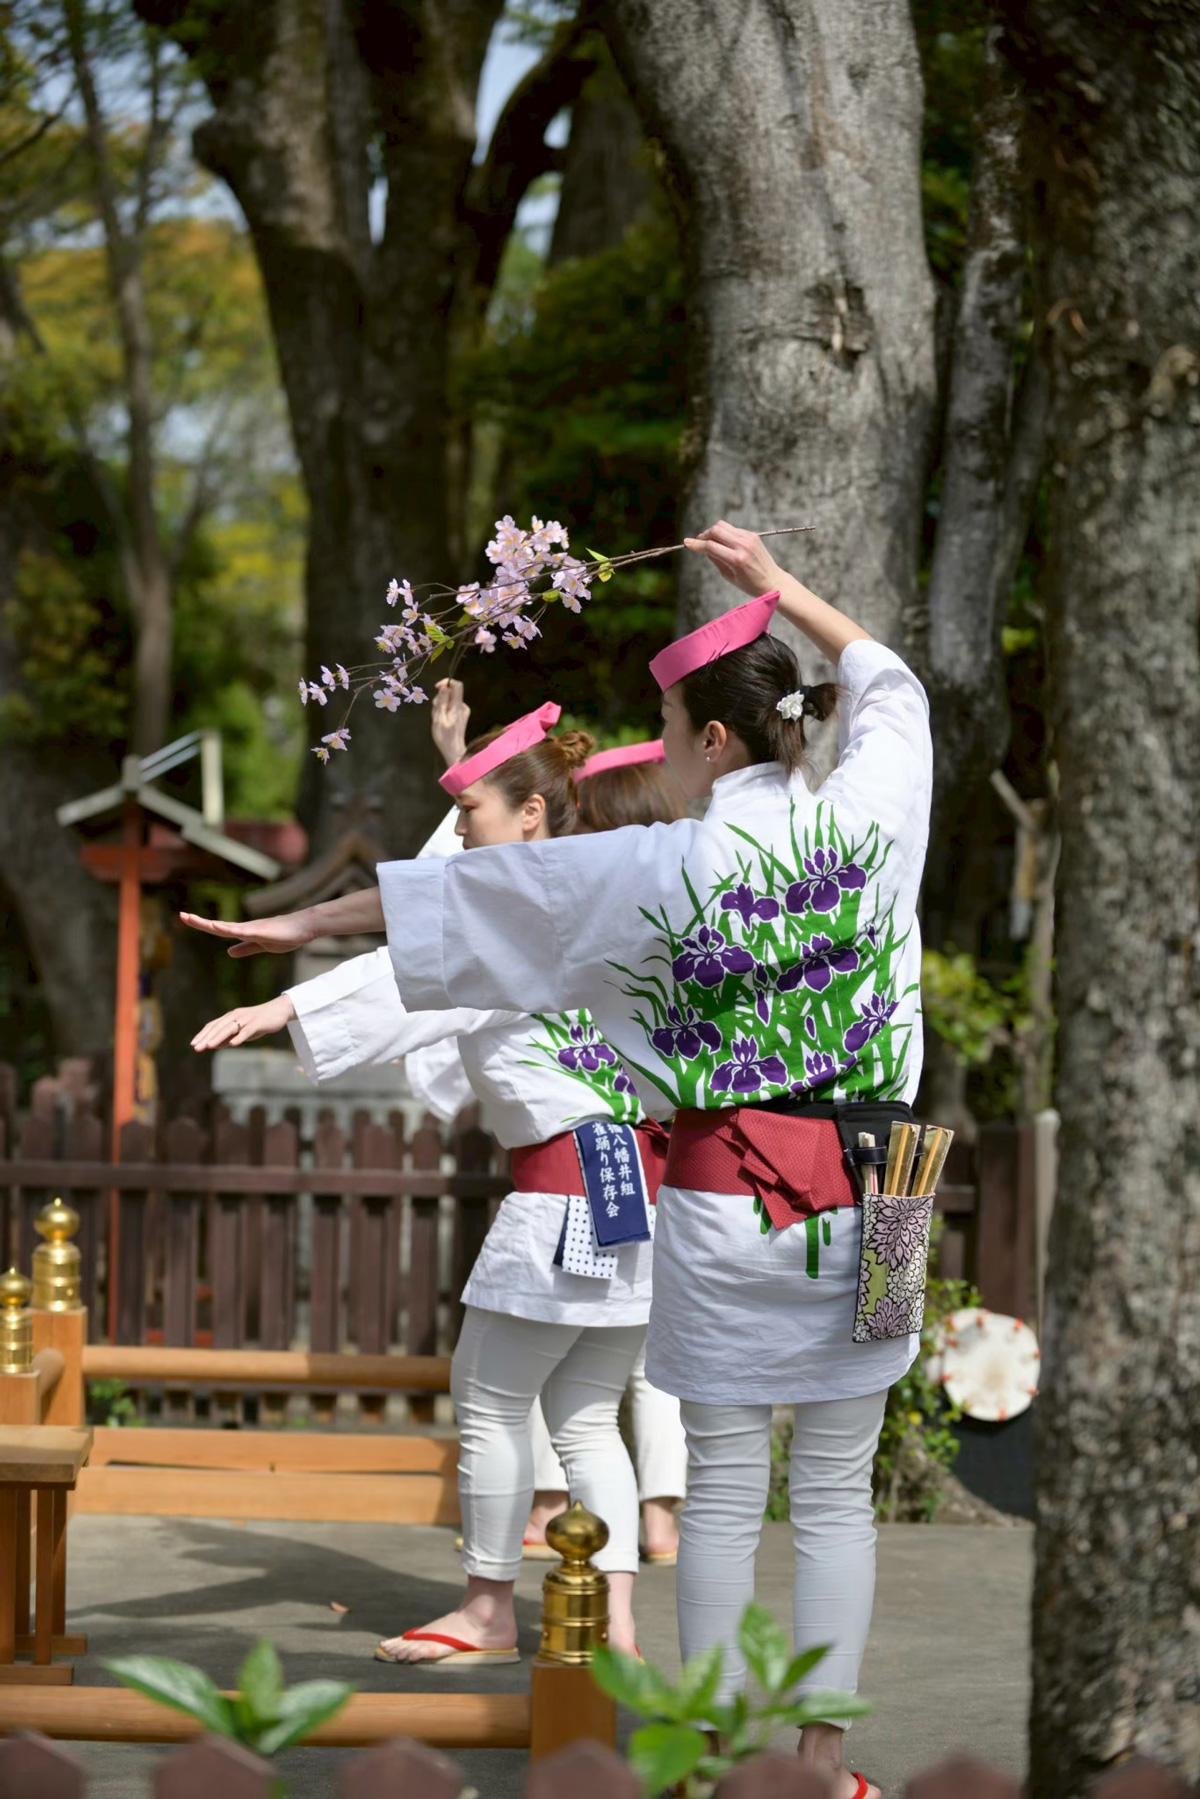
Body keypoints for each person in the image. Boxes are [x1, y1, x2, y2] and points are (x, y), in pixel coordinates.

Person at [184, 521, 931, 1799]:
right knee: (838, 1490)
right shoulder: (874, 808)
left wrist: (294, 920)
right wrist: (776, 588)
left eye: (674, 725)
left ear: (710, 740)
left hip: (727, 1187)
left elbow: (458, 899)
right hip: (886, 1184)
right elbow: (889, 680)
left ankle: (727, 1752)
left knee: (732, 1478)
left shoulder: (651, 865)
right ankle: (827, 1763)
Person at [188, 694, 677, 1666]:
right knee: (585, 1415)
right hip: (640, 1203)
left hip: (562, 1195)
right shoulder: (624, 916)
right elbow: (436, 914)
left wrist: (284, 999)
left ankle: (490, 1609)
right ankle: (614, 1623)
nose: (460, 831)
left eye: (474, 813)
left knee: (493, 1401)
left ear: (534, 815)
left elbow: (406, 973)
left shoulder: (524, 925)